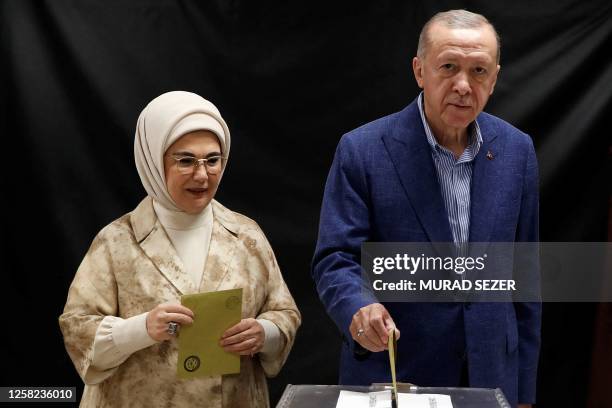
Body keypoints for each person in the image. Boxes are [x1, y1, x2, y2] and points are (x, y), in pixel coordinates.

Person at [311, 10, 539, 408]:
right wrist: (358, 306)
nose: (463, 85)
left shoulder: (518, 151)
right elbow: (335, 258)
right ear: (420, 71)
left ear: (495, 77)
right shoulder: (362, 150)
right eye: (448, 67)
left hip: (491, 375)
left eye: (479, 71)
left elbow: (525, 272)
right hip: (397, 370)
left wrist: (523, 389)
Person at [59, 91, 301, 407]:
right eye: (185, 160)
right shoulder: (117, 241)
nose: (202, 175)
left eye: (213, 160)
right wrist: (142, 328)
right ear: (153, 159)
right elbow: (77, 327)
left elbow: (285, 311)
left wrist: (265, 332)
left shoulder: (247, 235)